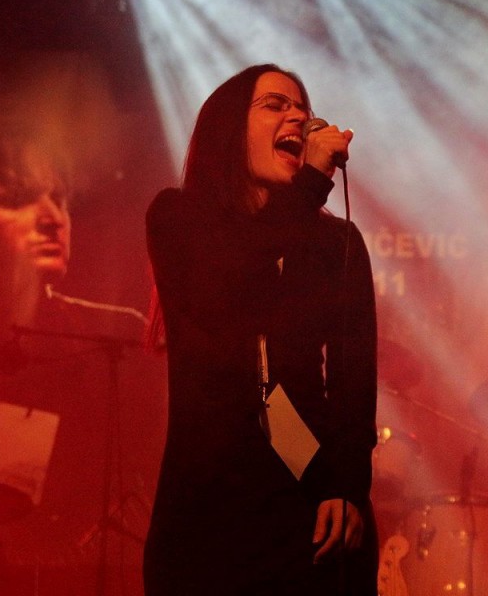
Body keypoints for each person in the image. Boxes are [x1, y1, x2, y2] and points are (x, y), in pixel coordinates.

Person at [143, 63, 378, 595]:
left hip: (312, 501)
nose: (297, 115)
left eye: (302, 108)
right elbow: (223, 284)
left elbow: (353, 381)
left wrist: (347, 485)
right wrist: (310, 184)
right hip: (209, 513)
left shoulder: (336, 244)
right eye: (274, 105)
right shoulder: (177, 218)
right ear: (229, 129)